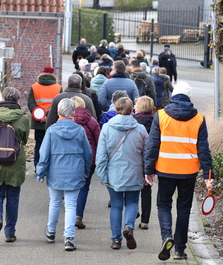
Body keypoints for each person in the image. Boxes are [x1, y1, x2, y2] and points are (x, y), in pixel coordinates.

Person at [144, 81, 214, 261]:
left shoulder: (160, 116)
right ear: (189, 98)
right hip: (188, 172)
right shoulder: (199, 119)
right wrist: (208, 175)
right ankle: (179, 249)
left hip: (165, 169)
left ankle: (166, 237)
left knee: (164, 205)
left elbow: (152, 146)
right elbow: (203, 149)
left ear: (173, 96)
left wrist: (149, 170)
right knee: (184, 208)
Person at [37, 98, 92, 251]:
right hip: (75, 172)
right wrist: (86, 171)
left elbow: (44, 154)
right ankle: (69, 238)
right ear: (73, 113)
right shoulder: (80, 130)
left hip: (55, 172)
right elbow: (88, 153)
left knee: (54, 202)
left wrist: (40, 172)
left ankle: (51, 232)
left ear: (58, 112)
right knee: (71, 205)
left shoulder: (51, 131)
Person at [96, 97, 148, 250]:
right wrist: (147, 174)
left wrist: (102, 175)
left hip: (113, 174)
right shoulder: (140, 129)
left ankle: (116, 240)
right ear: (132, 110)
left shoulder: (106, 127)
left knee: (116, 206)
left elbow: (101, 155)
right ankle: (129, 227)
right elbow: (146, 154)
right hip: (135, 172)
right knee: (132, 203)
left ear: (116, 109)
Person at [0, 87, 30, 243]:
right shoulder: (23, 118)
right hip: (15, 162)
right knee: (13, 197)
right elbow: (23, 140)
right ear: (17, 100)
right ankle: (10, 233)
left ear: (3, 99)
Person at [71, 96, 100, 229]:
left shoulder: (67, 121)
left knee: (70, 187)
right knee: (84, 187)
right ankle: (78, 216)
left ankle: (69, 216)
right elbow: (99, 141)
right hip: (89, 160)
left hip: (70, 158)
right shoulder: (92, 122)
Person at [28, 66, 62, 170]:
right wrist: (49, 116)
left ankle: (38, 166)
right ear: (53, 76)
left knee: (39, 144)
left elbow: (30, 103)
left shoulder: (34, 86)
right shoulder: (58, 87)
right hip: (53, 121)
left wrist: (40, 114)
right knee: (51, 145)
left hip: (38, 121)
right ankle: (49, 167)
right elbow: (60, 104)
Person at [133, 96, 154, 230]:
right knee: (147, 190)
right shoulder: (156, 122)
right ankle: (145, 220)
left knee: (133, 188)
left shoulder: (133, 122)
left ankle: (133, 210)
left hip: (134, 159)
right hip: (150, 160)